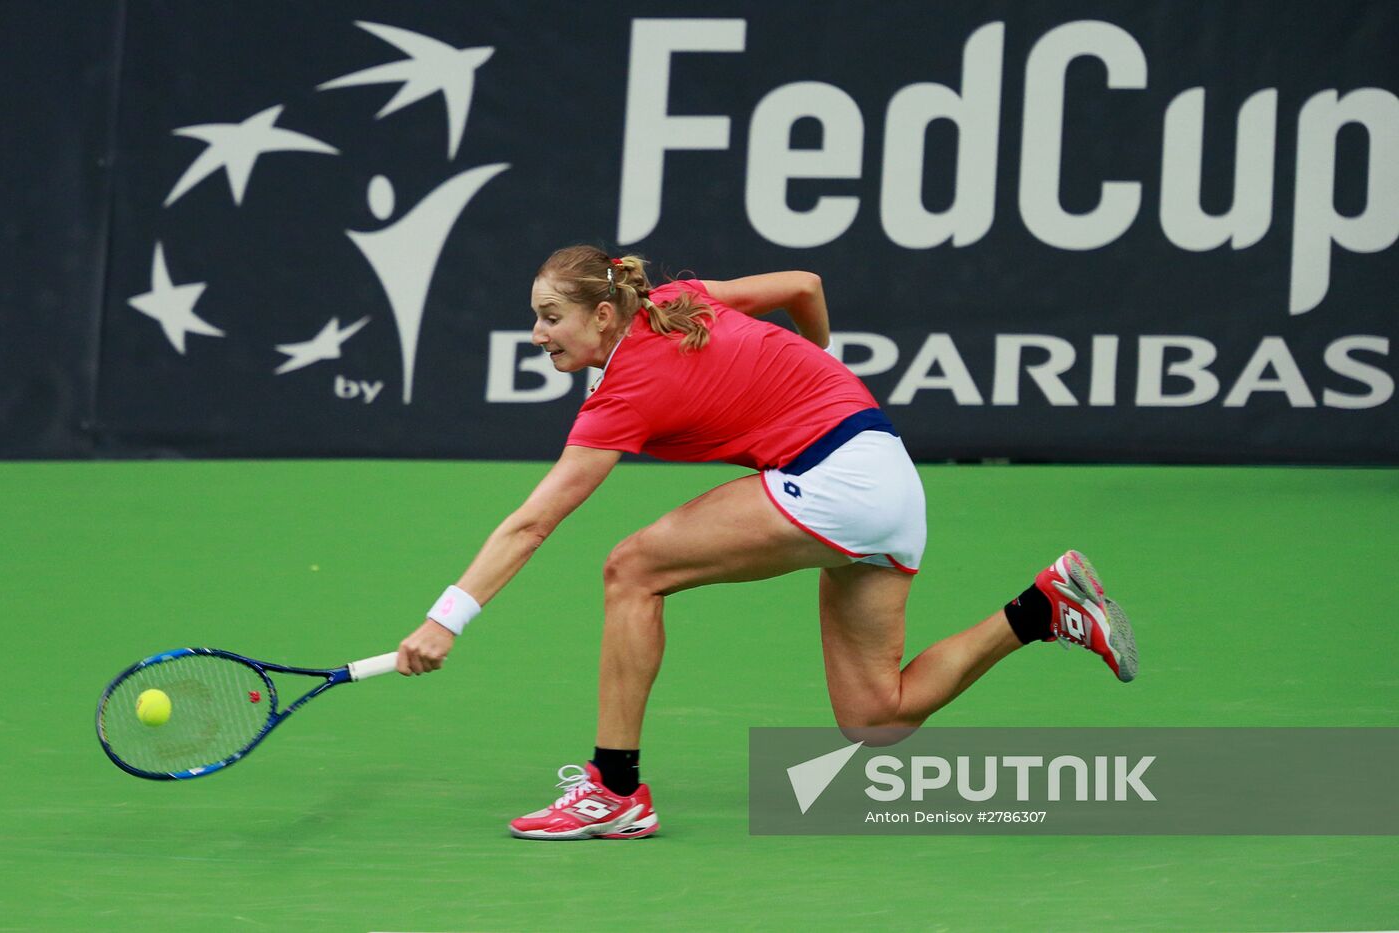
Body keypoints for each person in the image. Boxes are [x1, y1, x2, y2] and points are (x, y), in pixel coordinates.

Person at [395, 245, 1138, 840]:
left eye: (550, 316)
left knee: (632, 569)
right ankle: (1040, 609)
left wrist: (446, 617)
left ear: (599, 313)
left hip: (836, 479)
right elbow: (803, 284)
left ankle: (615, 789)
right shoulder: (678, 302)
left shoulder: (626, 387)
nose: (537, 334)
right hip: (887, 476)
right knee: (875, 716)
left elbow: (533, 521)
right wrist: (813, 369)